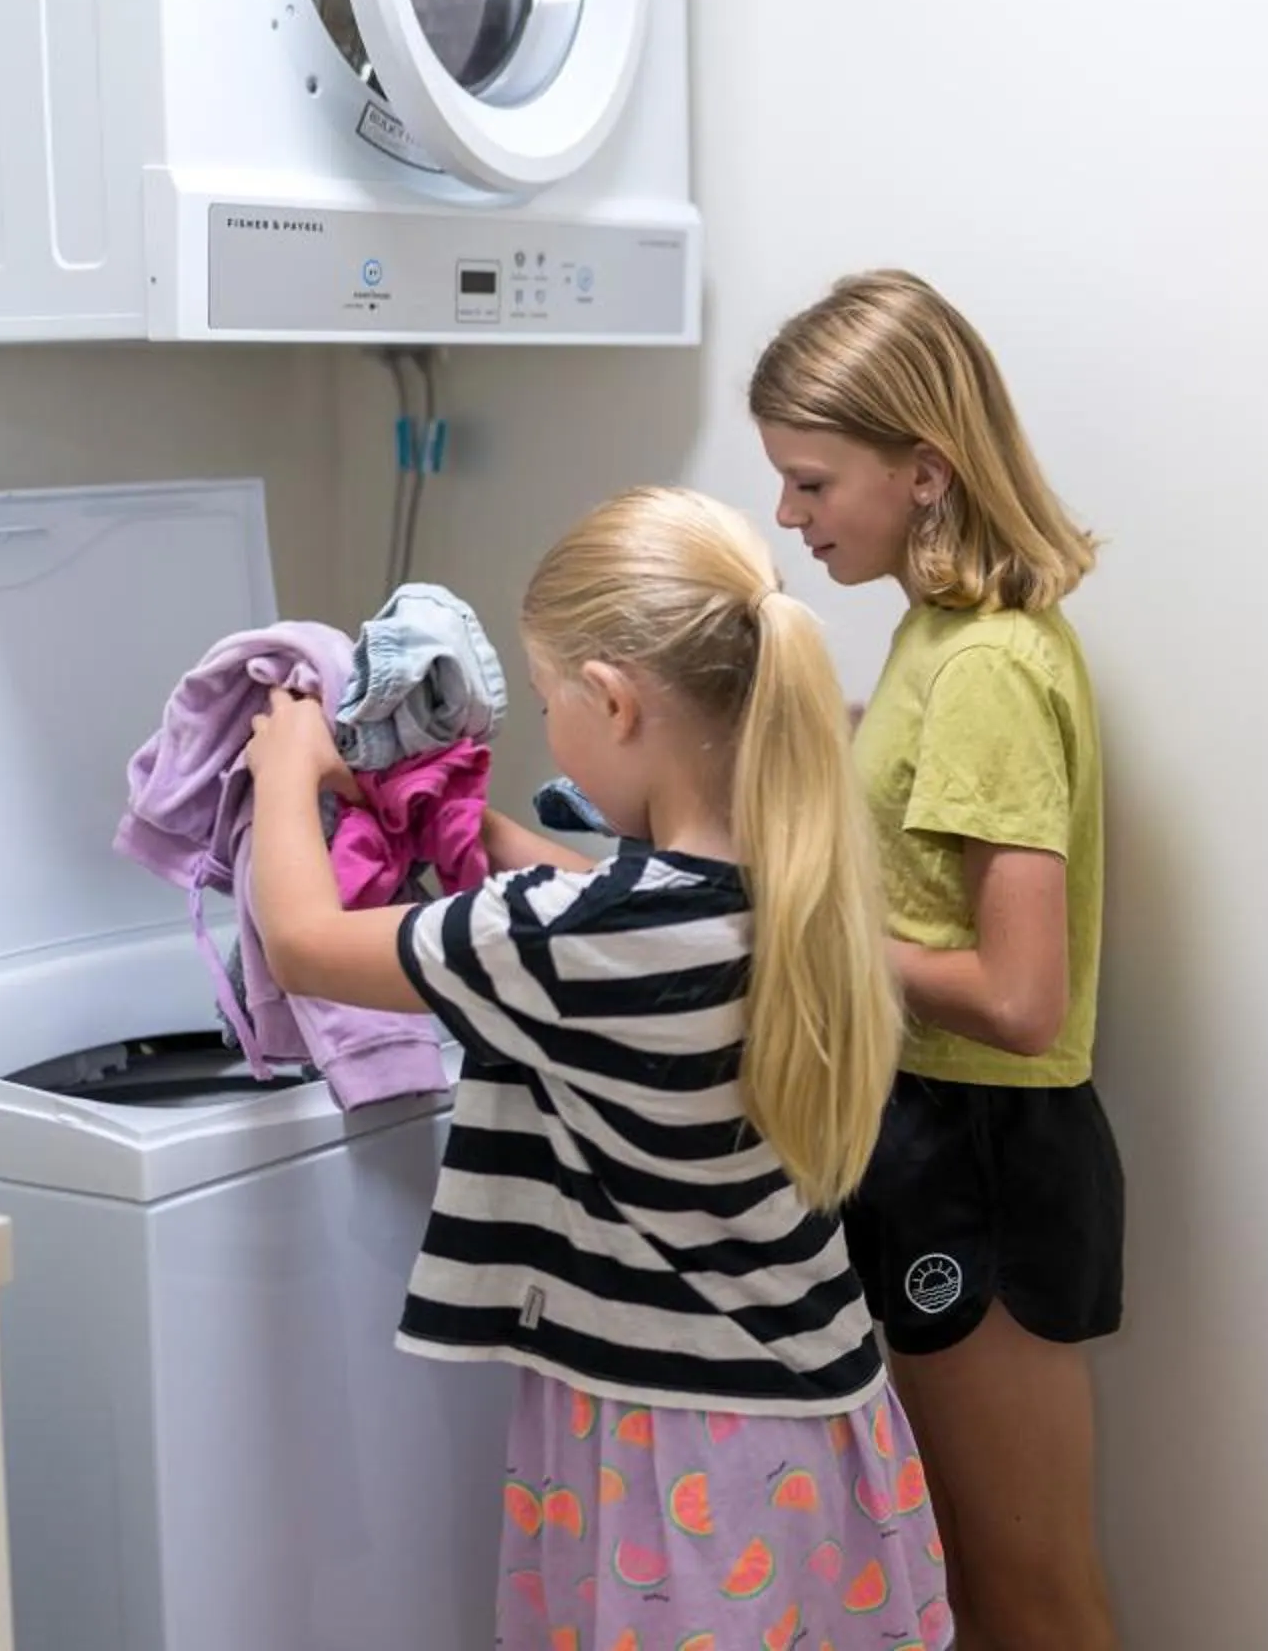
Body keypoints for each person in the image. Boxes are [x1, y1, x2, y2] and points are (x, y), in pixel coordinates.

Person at [243, 486, 953, 1651]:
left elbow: (306, 942)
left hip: (675, 1448)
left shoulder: (574, 942)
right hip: (819, 1426)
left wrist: (286, 761)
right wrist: (467, 836)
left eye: (545, 696)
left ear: (615, 702)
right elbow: (584, 894)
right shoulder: (800, 879)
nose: (541, 729)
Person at [752, 269, 1123, 1649]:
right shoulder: (935, 641)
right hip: (930, 1140)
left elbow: (1022, 1002)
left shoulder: (983, 674)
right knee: (955, 1576)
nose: (789, 517)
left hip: (989, 1154)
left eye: (809, 481)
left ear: (923, 471)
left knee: (1028, 1585)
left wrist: (808, 917)